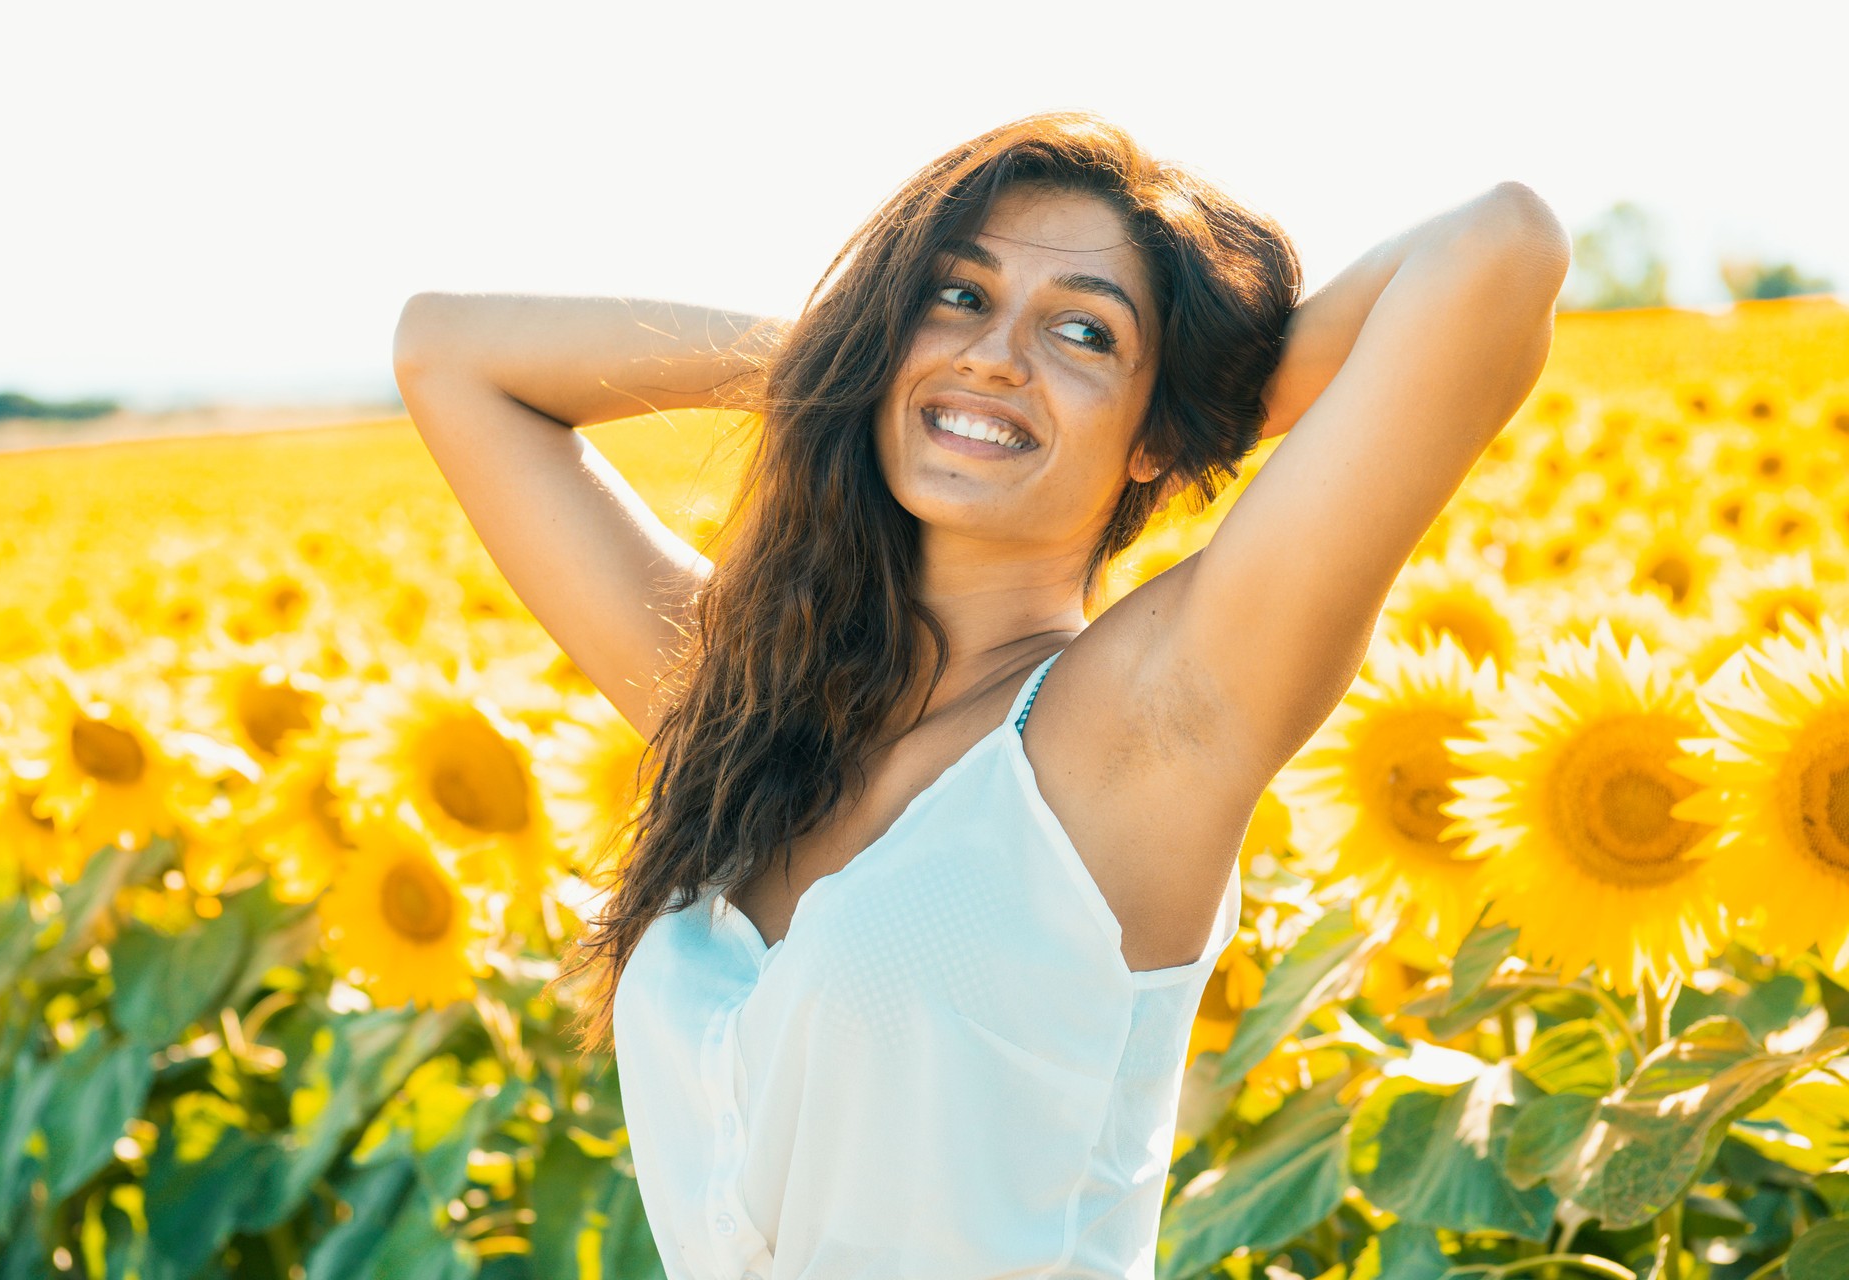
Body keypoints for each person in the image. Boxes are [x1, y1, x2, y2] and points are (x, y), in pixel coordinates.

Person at [392, 110, 1569, 1279]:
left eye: (1083, 332)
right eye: (958, 298)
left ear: (1155, 429)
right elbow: (447, 353)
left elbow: (1497, 251)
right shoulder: (746, 719)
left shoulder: (1141, 724)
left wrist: (1184, 414)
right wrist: (858, 360)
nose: (997, 354)